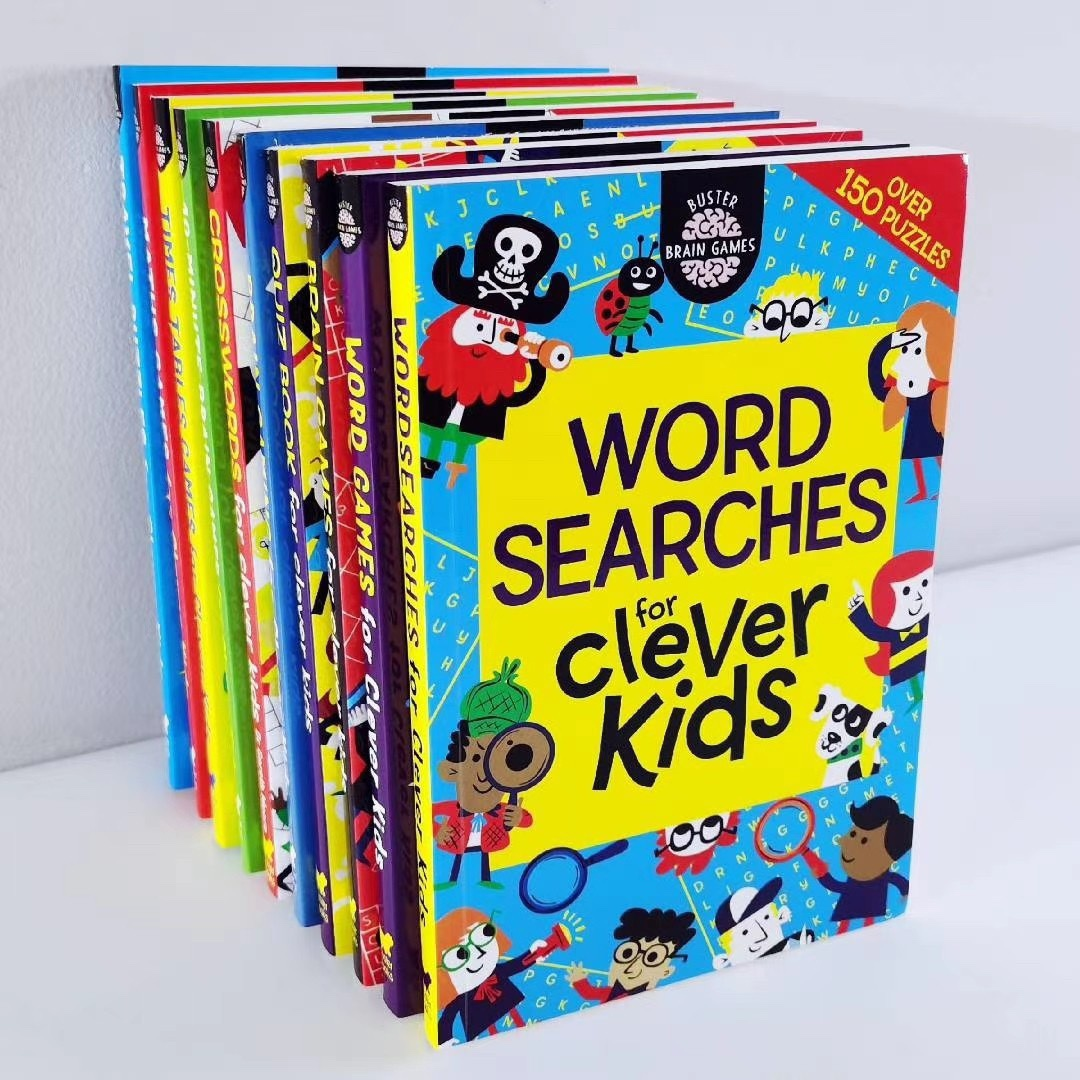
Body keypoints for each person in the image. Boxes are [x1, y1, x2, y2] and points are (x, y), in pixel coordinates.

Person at [804, 796, 913, 933]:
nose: (842, 841)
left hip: (874, 919)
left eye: (863, 841)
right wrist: (822, 875)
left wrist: (906, 892)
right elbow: (837, 886)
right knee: (847, 926)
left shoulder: (874, 877)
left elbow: (896, 880)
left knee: (868, 924)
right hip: (855, 915)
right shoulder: (857, 879)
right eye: (853, 834)